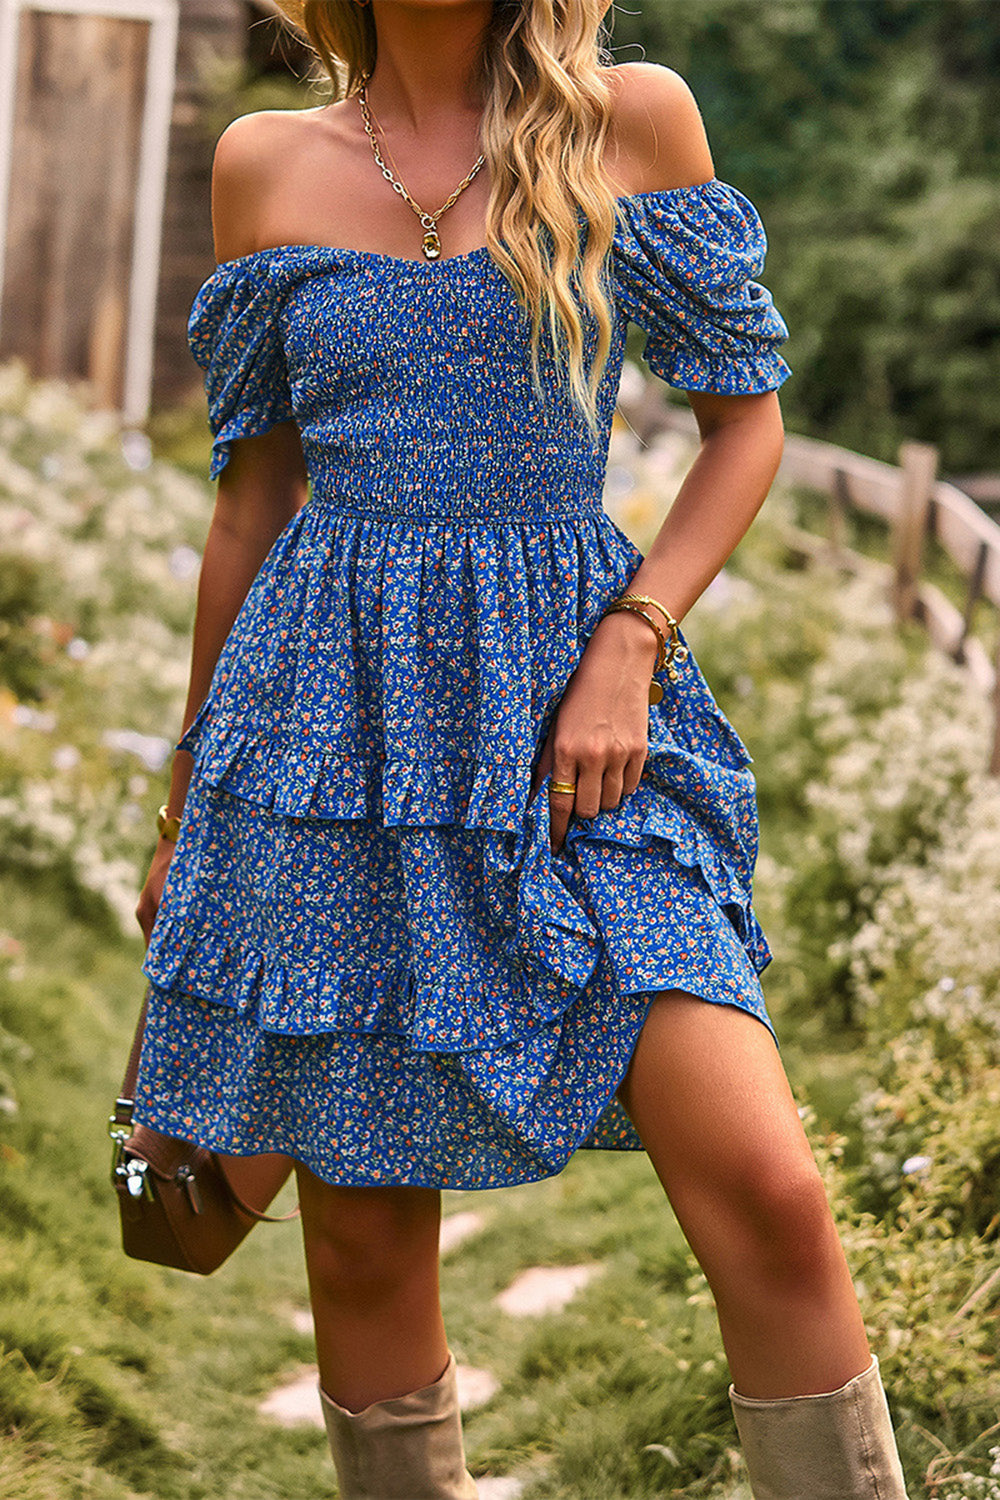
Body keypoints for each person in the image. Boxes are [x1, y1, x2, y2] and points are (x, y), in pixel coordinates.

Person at [133, 2, 910, 1496]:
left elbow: (744, 428)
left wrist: (633, 641)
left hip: (585, 722)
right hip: (327, 730)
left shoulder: (629, 120)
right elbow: (252, 501)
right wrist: (190, 807)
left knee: (769, 1188)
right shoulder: (263, 162)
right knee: (361, 1237)